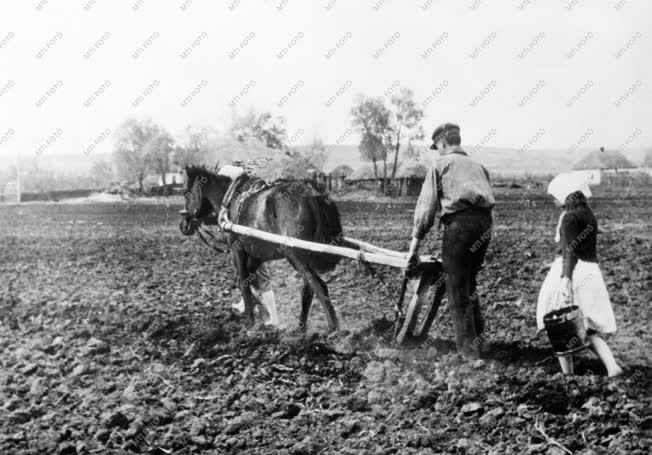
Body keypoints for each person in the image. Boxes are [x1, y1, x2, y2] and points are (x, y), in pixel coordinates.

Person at [406, 123, 495, 356]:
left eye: (437, 147)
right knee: (470, 283)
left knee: (456, 287)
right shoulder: (478, 166)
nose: (437, 150)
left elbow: (425, 210)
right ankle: (480, 344)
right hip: (484, 225)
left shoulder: (440, 165)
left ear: (442, 143)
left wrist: (413, 249)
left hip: (460, 227)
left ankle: (468, 353)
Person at [537, 173, 622, 376]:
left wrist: (565, 278)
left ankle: (568, 375)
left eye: (554, 195)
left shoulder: (569, 217)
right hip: (591, 270)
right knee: (586, 325)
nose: (553, 200)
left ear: (565, 194)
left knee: (557, 321)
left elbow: (570, 251)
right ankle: (612, 367)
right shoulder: (588, 214)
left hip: (573, 271)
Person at [217, 164, 280, 326]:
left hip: (253, 244)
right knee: (246, 275)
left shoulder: (240, 200)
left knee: (260, 277)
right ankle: (247, 303)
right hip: (250, 241)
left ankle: (274, 317)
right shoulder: (244, 198)